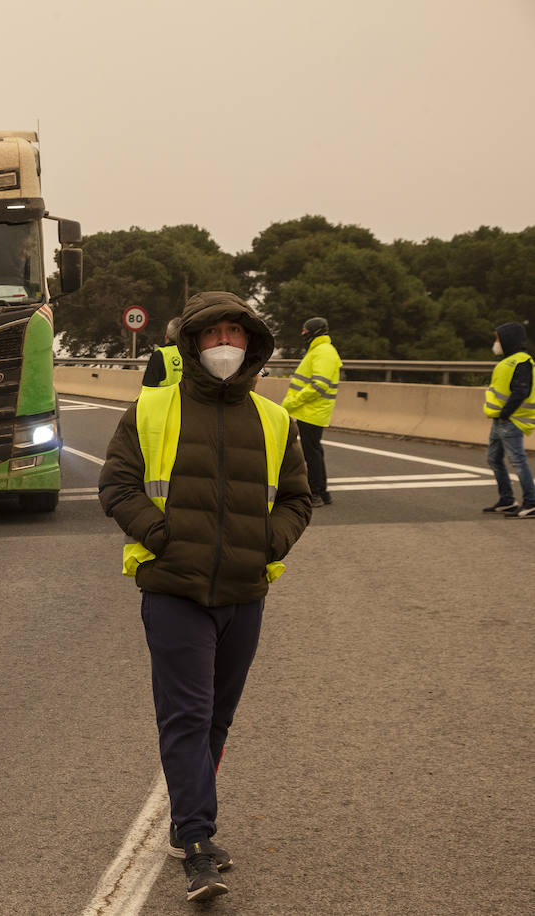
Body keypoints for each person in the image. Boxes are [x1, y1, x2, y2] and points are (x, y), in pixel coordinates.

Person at [98, 292, 313, 902]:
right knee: (186, 716)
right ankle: (197, 843)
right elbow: (116, 485)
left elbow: (299, 497)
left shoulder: (275, 420)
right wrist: (159, 534)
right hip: (174, 589)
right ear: (192, 343)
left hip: (245, 591)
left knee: (217, 717)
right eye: (213, 334)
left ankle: (188, 813)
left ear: (251, 344)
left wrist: (272, 541)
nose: (224, 344)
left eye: (234, 334)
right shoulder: (151, 408)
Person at [281, 316, 342, 507]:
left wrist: (291, 403)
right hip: (311, 410)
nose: (303, 336)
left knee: (311, 453)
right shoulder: (320, 350)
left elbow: (319, 385)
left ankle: (315, 493)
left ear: (315, 332)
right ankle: (323, 493)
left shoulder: (323, 352)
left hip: (311, 411)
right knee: (314, 451)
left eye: (305, 332)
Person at [483, 321, 535, 517]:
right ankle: (507, 500)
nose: (496, 342)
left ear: (508, 339)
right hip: (500, 420)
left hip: (511, 420)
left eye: (498, 338)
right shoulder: (508, 362)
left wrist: (505, 414)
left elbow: (522, 390)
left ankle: (531, 502)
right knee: (493, 459)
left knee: (518, 461)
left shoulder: (522, 361)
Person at [141, 316, 183, 388]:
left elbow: (148, 386)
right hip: (187, 399)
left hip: (166, 399)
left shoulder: (159, 355)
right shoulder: (193, 354)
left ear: (166, 336)